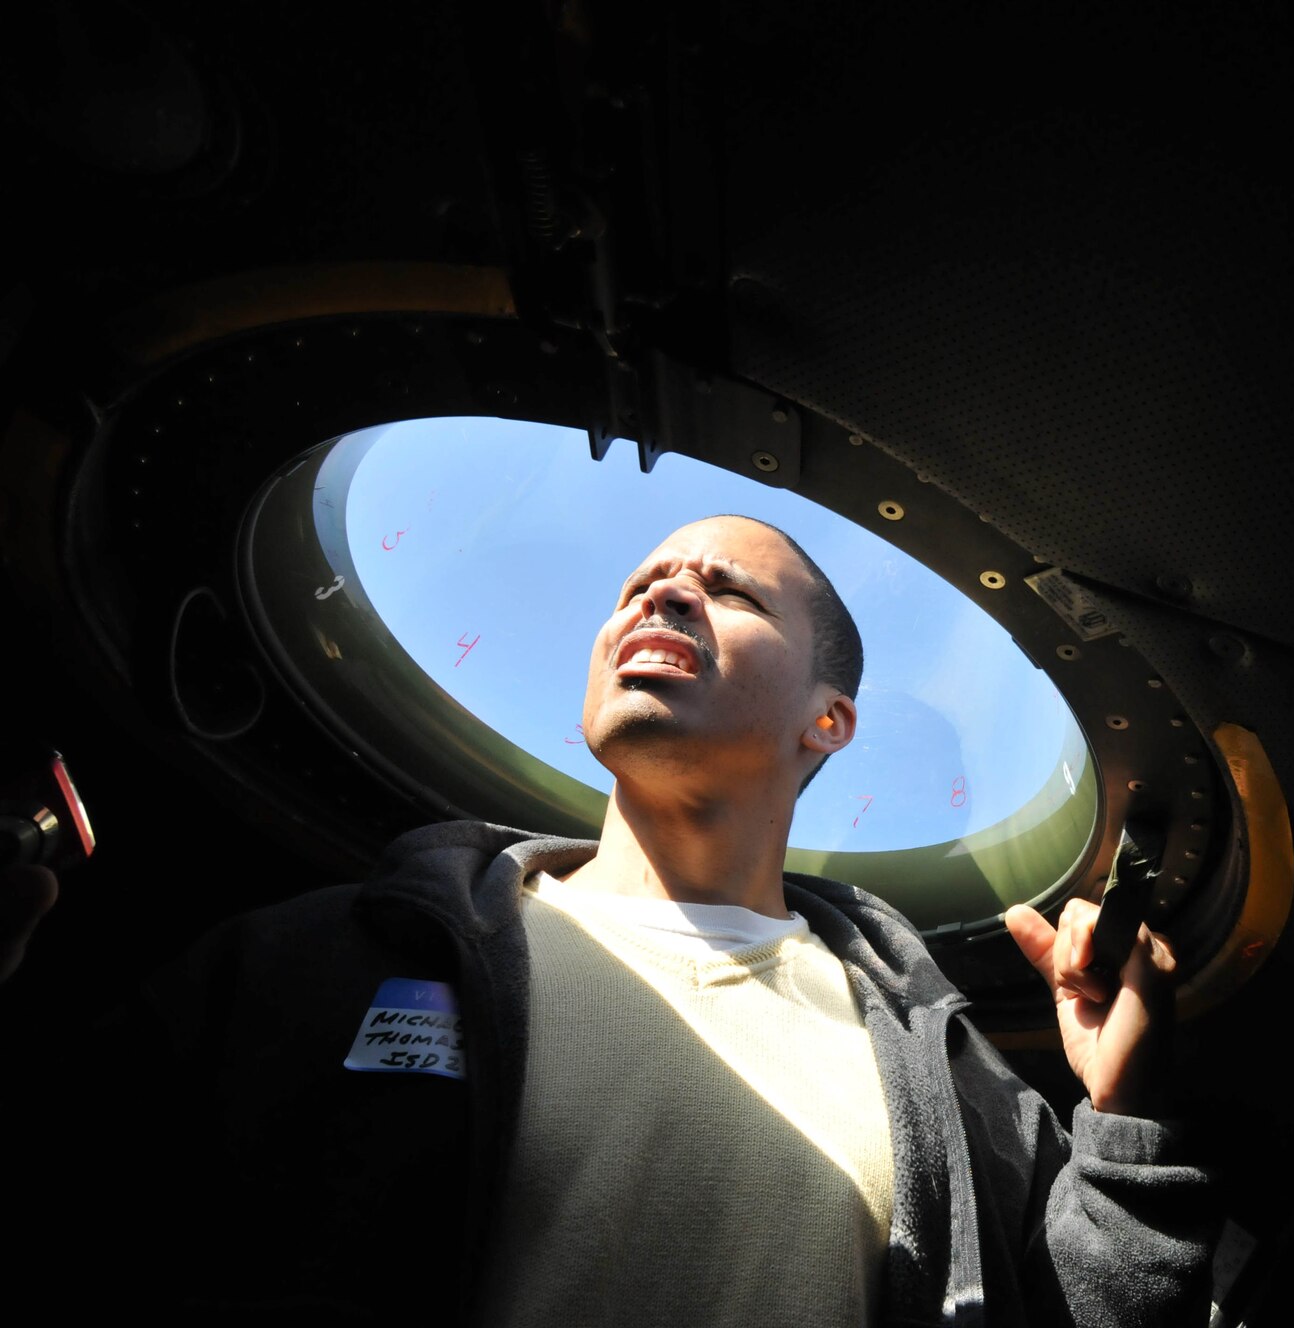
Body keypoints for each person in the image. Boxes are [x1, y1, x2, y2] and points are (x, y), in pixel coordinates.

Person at [15, 513, 1217, 1325]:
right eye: (644, 579)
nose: (665, 585)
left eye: (727, 588)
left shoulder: (955, 1089)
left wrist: (1124, 1123)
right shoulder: (319, 955)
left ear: (828, 719)